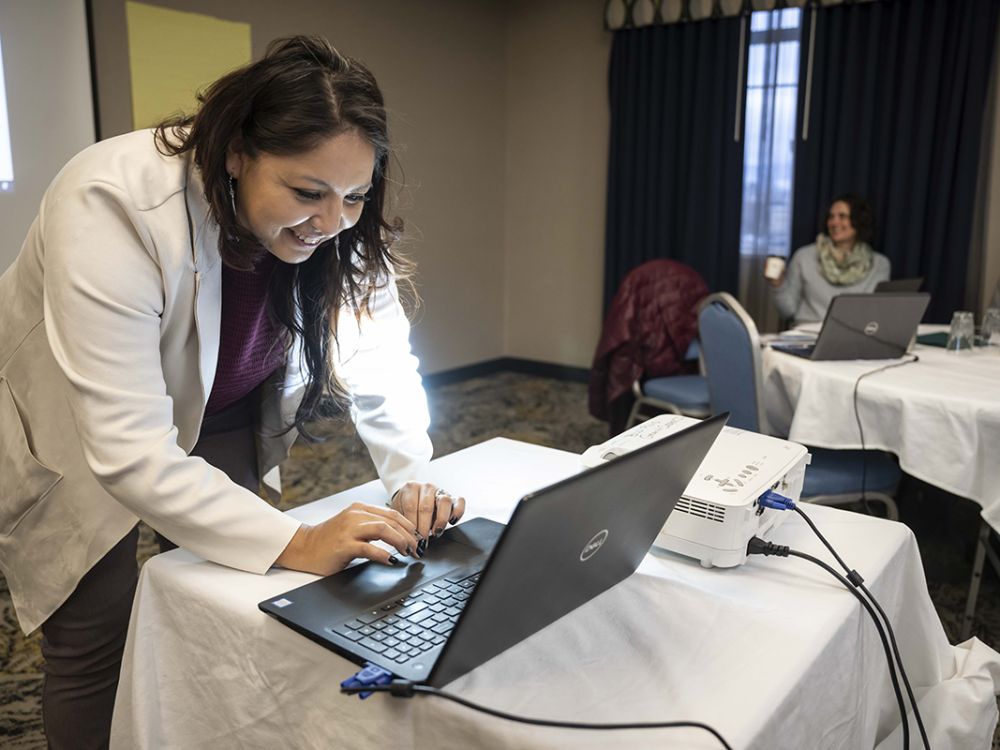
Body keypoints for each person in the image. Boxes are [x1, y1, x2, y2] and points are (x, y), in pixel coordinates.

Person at [0, 36, 465, 748]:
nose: (331, 222)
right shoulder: (111, 199)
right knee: (95, 637)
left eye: (354, 196)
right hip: (77, 423)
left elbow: (380, 361)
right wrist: (301, 538)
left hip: (225, 405)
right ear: (237, 154)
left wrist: (410, 480)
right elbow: (128, 448)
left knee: (229, 598)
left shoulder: (337, 221)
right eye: (306, 192)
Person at [768, 193, 891, 325]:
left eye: (842, 216)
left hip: (854, 335)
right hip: (807, 336)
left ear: (859, 221)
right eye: (831, 217)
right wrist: (778, 284)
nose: (834, 222)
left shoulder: (879, 264)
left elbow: (875, 312)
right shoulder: (804, 256)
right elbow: (787, 311)